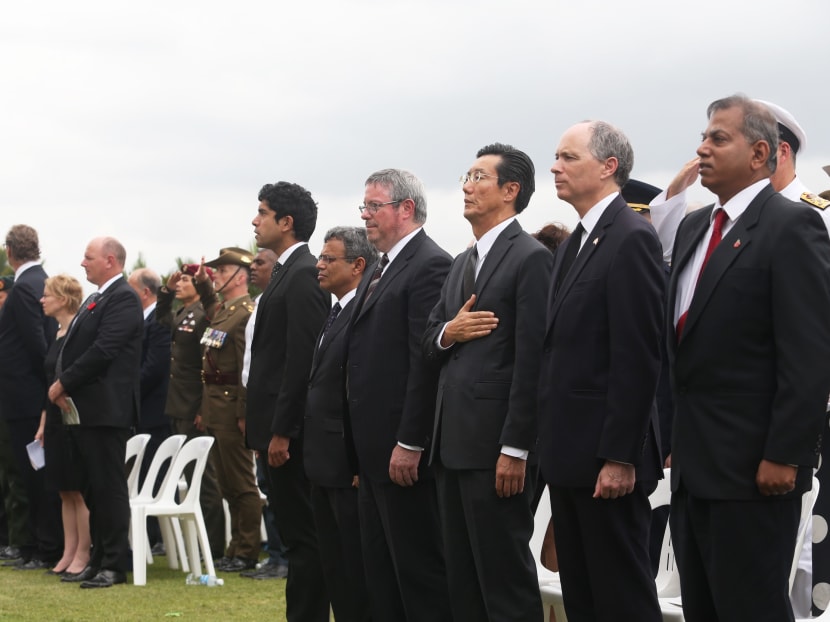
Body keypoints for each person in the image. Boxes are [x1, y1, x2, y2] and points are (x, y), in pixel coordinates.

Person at [667, 95, 830, 622]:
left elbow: (808, 353)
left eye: (718, 138)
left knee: (750, 609)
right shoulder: (695, 228)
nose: (702, 148)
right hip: (694, 467)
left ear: (760, 152)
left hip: (755, 471)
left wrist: (785, 453)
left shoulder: (792, 226)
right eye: (703, 136)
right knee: (704, 609)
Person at [538, 121, 664, 622]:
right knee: (584, 598)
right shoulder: (576, 242)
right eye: (556, 156)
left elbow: (637, 355)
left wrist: (619, 456)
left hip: (605, 461)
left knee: (621, 599)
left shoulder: (630, 237)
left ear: (608, 167)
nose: (555, 166)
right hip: (569, 454)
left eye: (568, 157)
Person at [422, 143, 550, 620]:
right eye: (467, 176)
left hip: (496, 447)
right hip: (451, 443)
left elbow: (533, 357)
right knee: (463, 581)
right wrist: (447, 334)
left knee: (504, 583)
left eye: (479, 177)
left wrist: (516, 447)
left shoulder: (530, 257)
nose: (467, 186)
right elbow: (429, 339)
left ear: (510, 190)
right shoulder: (462, 261)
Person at [345, 168, 453, 621]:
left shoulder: (429, 264)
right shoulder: (380, 265)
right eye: (364, 207)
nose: (366, 216)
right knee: (382, 579)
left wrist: (410, 441)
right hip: (372, 456)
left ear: (405, 209)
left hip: (401, 455)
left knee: (418, 580)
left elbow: (422, 362)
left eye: (374, 206)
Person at [247, 182, 330, 621]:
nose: (254, 221)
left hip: (291, 437)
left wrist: (282, 430)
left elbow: (302, 361)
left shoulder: (303, 274)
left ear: (287, 222)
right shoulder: (285, 271)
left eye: (262, 212)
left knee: (304, 539)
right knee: (298, 537)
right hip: (273, 431)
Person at [48, 236, 143, 588]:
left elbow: (104, 349)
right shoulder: (97, 297)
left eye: (88, 258)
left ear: (109, 260)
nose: (82, 263)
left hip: (107, 410)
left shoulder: (123, 298)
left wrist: (64, 382)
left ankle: (115, 565)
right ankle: (99, 557)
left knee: (108, 488)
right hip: (86, 411)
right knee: (92, 489)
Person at [305, 226, 375, 621]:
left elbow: (359, 390)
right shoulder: (334, 311)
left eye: (329, 259)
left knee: (355, 568)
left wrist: (356, 458)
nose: (320, 265)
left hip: (347, 463)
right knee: (335, 566)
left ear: (357, 265)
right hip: (322, 460)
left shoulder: (363, 311)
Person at [192, 247, 261, 573]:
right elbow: (210, 311)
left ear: (240, 276)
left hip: (232, 407)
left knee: (242, 483)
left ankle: (247, 550)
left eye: (222, 271)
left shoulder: (246, 312)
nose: (216, 275)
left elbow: (247, 369)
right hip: (216, 408)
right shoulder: (225, 311)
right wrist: (202, 284)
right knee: (226, 484)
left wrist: (245, 413)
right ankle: (235, 546)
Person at [0, 225, 61, 570]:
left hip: (25, 396)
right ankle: (40, 544)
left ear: (9, 250)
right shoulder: (41, 280)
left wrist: (47, 383)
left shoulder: (24, 287)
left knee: (33, 474)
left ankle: (42, 547)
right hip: (31, 393)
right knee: (33, 474)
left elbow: (38, 343)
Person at [156, 263, 225, 560]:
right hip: (179, 403)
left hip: (194, 405)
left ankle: (213, 545)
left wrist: (202, 408)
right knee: (191, 475)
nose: (181, 283)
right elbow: (162, 319)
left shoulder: (203, 314)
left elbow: (207, 363)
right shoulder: (184, 313)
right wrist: (166, 292)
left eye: (186, 280)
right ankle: (201, 542)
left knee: (205, 479)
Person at [239, 248, 289, 580]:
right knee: (267, 487)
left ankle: (283, 557)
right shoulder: (259, 303)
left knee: (280, 491)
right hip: (257, 405)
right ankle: (275, 555)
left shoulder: (282, 301)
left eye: (260, 263)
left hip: (276, 409)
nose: (253, 268)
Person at [35, 274, 90, 576]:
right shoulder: (56, 332)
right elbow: (49, 381)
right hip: (55, 418)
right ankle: (68, 551)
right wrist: (43, 421)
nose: (41, 300)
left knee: (79, 489)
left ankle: (83, 552)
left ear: (64, 298)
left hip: (75, 417)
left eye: (47, 295)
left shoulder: (78, 331)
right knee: (63, 490)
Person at [127, 268, 172, 550]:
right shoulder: (142, 320)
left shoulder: (157, 320)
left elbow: (154, 367)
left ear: (145, 292)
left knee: (153, 475)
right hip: (141, 409)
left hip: (154, 409)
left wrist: (126, 391)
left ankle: (155, 537)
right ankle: (149, 535)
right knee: (142, 473)